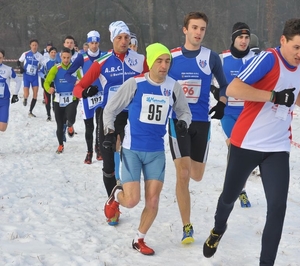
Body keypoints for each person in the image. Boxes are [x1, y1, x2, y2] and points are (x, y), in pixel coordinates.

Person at [203, 18, 300, 266]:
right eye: (296, 48)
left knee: (277, 209)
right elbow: (235, 89)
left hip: (277, 148)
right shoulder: (268, 59)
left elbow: (294, 89)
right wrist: (272, 96)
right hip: (247, 143)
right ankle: (218, 229)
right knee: (228, 198)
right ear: (283, 41)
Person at [103, 42, 192, 255]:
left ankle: (139, 238)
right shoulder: (135, 83)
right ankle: (117, 196)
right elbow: (111, 109)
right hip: (132, 149)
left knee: (153, 199)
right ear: (150, 63)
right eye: (159, 61)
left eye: (167, 61)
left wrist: (183, 123)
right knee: (132, 200)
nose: (164, 65)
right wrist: (108, 132)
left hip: (156, 152)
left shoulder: (173, 87)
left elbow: (184, 112)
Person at [73, 20, 148, 225]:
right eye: (119, 38)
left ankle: (135, 195)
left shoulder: (140, 60)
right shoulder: (102, 62)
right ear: (112, 39)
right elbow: (78, 87)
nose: (124, 41)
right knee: (108, 164)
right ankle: (113, 203)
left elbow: (154, 80)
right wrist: (85, 92)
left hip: (134, 116)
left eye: (126, 38)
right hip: (111, 116)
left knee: (132, 160)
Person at [167, 11, 228, 244]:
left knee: (197, 175)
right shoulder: (170, 56)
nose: (198, 33)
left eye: (202, 29)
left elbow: (224, 86)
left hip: (201, 122)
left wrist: (222, 104)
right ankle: (187, 227)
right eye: (194, 28)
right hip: (178, 121)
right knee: (182, 174)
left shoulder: (211, 57)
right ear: (185, 30)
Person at [219, 22, 256, 208]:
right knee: (234, 150)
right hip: (228, 114)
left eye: (246, 37)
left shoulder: (256, 58)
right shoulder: (222, 58)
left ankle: (240, 187)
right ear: (233, 39)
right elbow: (213, 83)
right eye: (240, 37)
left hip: (249, 114)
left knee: (244, 153)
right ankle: (236, 190)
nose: (243, 41)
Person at [65, 30, 106, 164]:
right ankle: (89, 152)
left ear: (99, 42)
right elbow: (68, 74)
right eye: (91, 43)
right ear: (87, 43)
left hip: (101, 95)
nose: (94, 46)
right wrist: (77, 83)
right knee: (89, 127)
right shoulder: (82, 57)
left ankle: (98, 148)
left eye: (96, 43)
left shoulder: (104, 56)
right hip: (87, 96)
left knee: (100, 124)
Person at [44, 48, 79, 154]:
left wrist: (79, 85)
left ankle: (70, 125)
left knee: (71, 117)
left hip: (71, 98)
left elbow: (82, 81)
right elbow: (46, 82)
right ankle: (60, 145)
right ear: (60, 57)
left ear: (71, 57)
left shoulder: (75, 69)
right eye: (64, 57)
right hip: (58, 99)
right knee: (59, 125)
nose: (66, 60)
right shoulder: (55, 68)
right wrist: (48, 89)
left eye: (68, 58)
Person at [17, 39, 46, 117]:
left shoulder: (40, 56)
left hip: (34, 77)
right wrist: (21, 68)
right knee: (27, 94)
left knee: (35, 94)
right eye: (33, 45)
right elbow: (18, 61)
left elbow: (44, 64)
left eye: (36, 45)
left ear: (38, 46)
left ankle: (30, 111)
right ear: (30, 46)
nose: (34, 47)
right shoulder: (26, 53)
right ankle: (25, 98)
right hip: (26, 76)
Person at [0, 49, 22, 132]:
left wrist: (15, 94)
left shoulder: (8, 69)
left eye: (0, 57)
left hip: (4, 101)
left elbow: (18, 81)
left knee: (3, 128)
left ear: (3, 58)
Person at [39, 47, 57, 121]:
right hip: (47, 83)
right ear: (49, 53)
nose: (53, 54)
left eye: (54, 52)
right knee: (47, 100)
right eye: (51, 52)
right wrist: (44, 76)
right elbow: (39, 72)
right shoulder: (45, 62)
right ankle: (48, 115)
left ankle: (56, 114)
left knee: (55, 100)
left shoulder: (58, 62)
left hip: (55, 83)